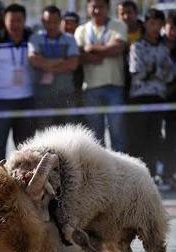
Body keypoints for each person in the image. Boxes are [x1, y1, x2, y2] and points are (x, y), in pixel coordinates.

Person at [0, 4, 35, 163]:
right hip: (2, 99)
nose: (15, 24)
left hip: (27, 99)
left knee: (26, 145)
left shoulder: (32, 38)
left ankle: (25, 182)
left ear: (25, 21)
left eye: (19, 20)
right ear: (4, 21)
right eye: (11, 20)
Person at [74, 0, 128, 150]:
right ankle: (100, 172)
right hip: (90, 87)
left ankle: (119, 172)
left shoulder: (119, 25)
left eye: (101, 7)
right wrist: (99, 53)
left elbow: (117, 48)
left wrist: (90, 48)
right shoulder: (81, 30)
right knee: (95, 137)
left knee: (117, 134)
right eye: (94, 7)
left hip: (115, 86)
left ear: (108, 8)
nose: (97, 10)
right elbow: (77, 56)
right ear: (88, 8)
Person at [126, 9, 174, 177]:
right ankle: (135, 175)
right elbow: (137, 72)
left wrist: (152, 71)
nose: (155, 27)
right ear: (145, 24)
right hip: (139, 97)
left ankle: (151, 173)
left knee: (154, 136)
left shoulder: (164, 49)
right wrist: (156, 71)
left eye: (159, 24)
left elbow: (170, 75)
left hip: (158, 97)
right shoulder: (136, 46)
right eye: (152, 23)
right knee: (138, 137)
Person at [28, 5, 79, 126]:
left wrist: (45, 64)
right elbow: (34, 60)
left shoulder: (69, 39)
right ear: (42, 21)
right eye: (47, 22)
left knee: (68, 133)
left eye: (54, 22)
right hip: (42, 96)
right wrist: (61, 60)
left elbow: (73, 64)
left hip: (65, 94)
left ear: (60, 21)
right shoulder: (35, 38)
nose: (51, 26)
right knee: (45, 133)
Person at [160, 11, 176, 190]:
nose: (173, 31)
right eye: (170, 27)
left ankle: (171, 174)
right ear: (164, 26)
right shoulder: (156, 44)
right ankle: (157, 172)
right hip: (155, 97)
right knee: (154, 136)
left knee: (173, 138)